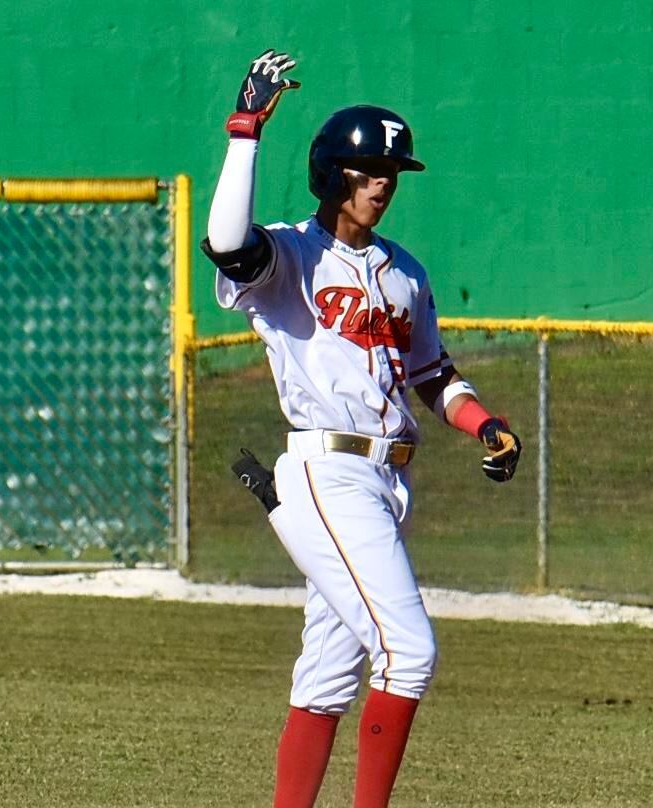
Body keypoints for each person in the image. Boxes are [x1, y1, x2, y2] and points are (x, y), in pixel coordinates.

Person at [202, 50, 522, 808]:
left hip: (388, 480)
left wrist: (484, 423)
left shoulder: (403, 271)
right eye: (369, 168)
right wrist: (244, 131)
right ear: (331, 175)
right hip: (326, 472)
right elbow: (224, 242)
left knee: (327, 674)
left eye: (392, 170)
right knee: (407, 652)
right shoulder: (288, 255)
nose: (384, 181)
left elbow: (432, 375)